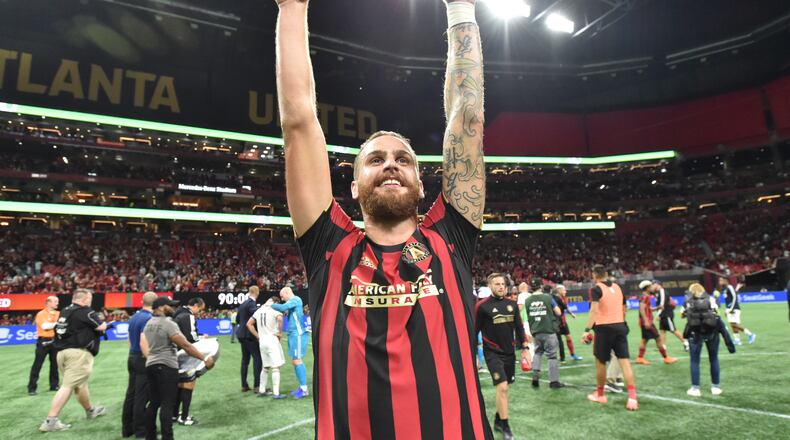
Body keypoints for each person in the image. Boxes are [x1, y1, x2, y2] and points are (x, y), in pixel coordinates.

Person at [276, 0, 490, 436]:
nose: (391, 165)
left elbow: (467, 113)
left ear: (422, 183)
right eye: (375, 160)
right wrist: (292, 6)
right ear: (353, 187)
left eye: (403, 159)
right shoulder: (329, 245)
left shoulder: (451, 235)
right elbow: (298, 120)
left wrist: (461, 7)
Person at [142, 296, 214, 440]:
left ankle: (150, 436)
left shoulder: (148, 323)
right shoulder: (168, 323)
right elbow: (186, 345)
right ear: (161, 307)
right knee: (167, 404)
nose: (173, 308)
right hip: (167, 365)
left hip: (151, 365)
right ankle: (167, 437)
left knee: (154, 403)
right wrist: (204, 358)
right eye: (170, 306)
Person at [39, 289, 107, 432]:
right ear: (84, 299)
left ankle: (90, 410)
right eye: (89, 299)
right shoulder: (85, 311)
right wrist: (105, 323)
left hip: (62, 353)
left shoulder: (65, 310)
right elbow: (101, 326)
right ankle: (51, 421)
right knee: (68, 386)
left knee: (80, 385)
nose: (90, 301)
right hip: (78, 353)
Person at [476, 273, 529, 439]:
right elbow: (473, 332)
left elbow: (519, 328)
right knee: (502, 387)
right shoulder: (482, 306)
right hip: (492, 353)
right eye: (497, 284)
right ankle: (505, 427)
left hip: (509, 353)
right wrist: (474, 356)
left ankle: (498, 420)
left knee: (505, 389)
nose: (500, 287)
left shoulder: (512, 305)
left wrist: (525, 347)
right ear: (490, 286)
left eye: (502, 284)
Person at [581, 265, 638, 411]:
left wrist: (587, 330)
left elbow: (593, 311)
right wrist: (621, 322)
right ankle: (632, 398)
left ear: (594, 276)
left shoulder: (595, 289)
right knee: (625, 362)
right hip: (620, 326)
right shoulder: (618, 287)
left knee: (600, 362)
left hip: (604, 329)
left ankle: (600, 395)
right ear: (606, 274)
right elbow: (624, 308)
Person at [122, 291, 157, 439]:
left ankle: (127, 428)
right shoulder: (149, 318)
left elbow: (130, 339)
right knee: (142, 397)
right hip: (142, 359)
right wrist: (150, 359)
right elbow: (144, 341)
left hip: (132, 356)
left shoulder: (135, 316)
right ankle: (141, 430)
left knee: (131, 394)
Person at [172, 297, 205, 425]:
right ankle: (184, 417)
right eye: (200, 309)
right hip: (184, 353)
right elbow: (191, 339)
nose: (199, 312)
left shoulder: (178, 312)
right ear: (196, 305)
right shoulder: (188, 316)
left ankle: (174, 414)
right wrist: (202, 338)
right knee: (188, 383)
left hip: (174, 353)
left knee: (179, 384)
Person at [271, 287, 308, 399]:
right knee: (294, 361)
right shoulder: (293, 302)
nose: (282, 299)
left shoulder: (296, 299)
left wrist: (269, 305)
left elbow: (282, 307)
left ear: (287, 292)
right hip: (292, 334)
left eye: (282, 296)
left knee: (297, 360)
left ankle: (304, 389)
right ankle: (302, 387)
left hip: (298, 334)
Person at [247, 296, 286, 399]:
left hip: (262, 341)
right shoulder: (274, 308)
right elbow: (280, 319)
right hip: (271, 339)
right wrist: (280, 333)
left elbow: (249, 324)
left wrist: (258, 336)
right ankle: (276, 393)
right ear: (276, 302)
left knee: (265, 367)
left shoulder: (259, 309)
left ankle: (262, 390)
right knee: (275, 367)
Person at [525, 285, 563, 389]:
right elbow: (558, 312)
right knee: (552, 356)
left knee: (538, 353)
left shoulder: (527, 300)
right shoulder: (548, 297)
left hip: (536, 331)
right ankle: (554, 381)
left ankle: (535, 376)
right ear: (540, 287)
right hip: (548, 330)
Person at [636, 282, 678, 365]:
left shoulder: (646, 296)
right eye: (651, 286)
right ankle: (666, 358)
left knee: (644, 340)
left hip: (646, 321)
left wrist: (657, 308)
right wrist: (646, 321)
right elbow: (642, 309)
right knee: (658, 339)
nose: (652, 288)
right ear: (647, 288)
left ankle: (640, 358)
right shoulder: (645, 297)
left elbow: (648, 309)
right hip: (647, 322)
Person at [28, 295, 60, 395]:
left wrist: (55, 324)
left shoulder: (58, 313)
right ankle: (32, 388)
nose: (57, 303)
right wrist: (57, 324)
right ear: (48, 303)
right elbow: (45, 326)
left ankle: (54, 385)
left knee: (55, 365)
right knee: (37, 365)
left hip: (55, 341)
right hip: (43, 341)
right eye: (55, 301)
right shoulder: (41, 314)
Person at [649, 280, 689, 352]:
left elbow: (662, 305)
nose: (651, 286)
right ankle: (663, 347)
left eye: (653, 284)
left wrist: (659, 314)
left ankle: (686, 343)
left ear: (657, 284)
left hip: (666, 314)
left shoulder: (662, 291)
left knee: (673, 330)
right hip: (664, 314)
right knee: (662, 331)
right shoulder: (658, 292)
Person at [237, 285, 262, 392]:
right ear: (257, 292)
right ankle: (257, 385)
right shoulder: (251, 304)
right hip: (250, 336)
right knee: (257, 359)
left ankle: (244, 385)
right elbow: (257, 315)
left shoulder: (243, 304)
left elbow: (238, 319)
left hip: (241, 335)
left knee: (245, 360)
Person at [719, 276, 756, 345]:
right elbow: (728, 300)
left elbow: (734, 296)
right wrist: (727, 310)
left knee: (735, 325)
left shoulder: (729, 287)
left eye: (721, 280)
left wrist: (731, 308)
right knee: (732, 324)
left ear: (725, 280)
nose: (720, 282)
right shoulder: (724, 289)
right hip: (729, 309)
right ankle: (737, 340)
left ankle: (750, 334)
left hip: (734, 308)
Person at [553, 285, 582, 362]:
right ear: (559, 291)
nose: (565, 292)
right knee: (558, 341)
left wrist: (571, 314)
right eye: (564, 290)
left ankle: (573, 355)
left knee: (568, 337)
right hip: (556, 323)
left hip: (563, 322)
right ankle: (561, 357)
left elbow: (566, 307)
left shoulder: (564, 299)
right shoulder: (553, 299)